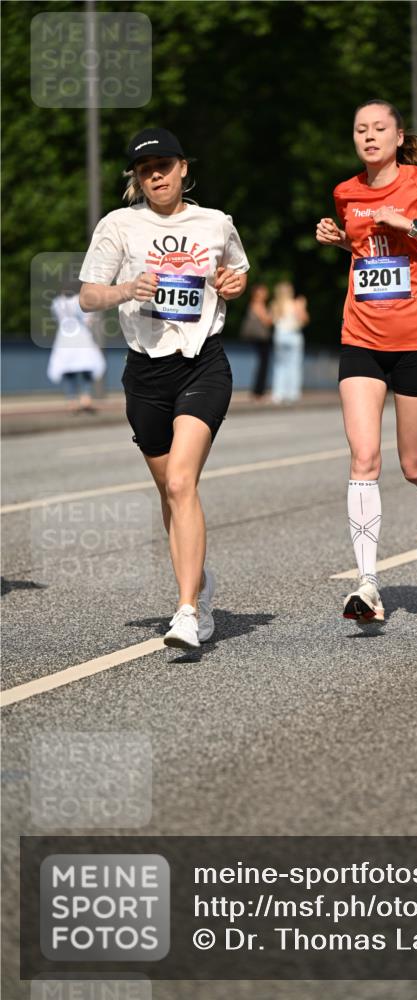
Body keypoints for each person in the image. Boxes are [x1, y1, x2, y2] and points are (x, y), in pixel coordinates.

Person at [79, 128, 249, 649]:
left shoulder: (215, 223)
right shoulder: (119, 226)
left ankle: (187, 610)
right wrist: (128, 288)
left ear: (182, 168)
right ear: (136, 177)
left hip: (203, 365)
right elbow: (87, 296)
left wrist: (233, 285)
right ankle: (200, 582)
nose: (156, 174)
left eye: (164, 165)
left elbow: (237, 274)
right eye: (145, 168)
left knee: (180, 482)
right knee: (169, 493)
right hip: (146, 373)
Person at [315, 100, 417, 624]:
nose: (369, 136)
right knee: (363, 458)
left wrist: (409, 224)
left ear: (398, 134)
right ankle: (367, 585)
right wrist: (344, 243)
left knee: (412, 466)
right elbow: (371, 257)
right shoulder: (346, 192)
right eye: (360, 128)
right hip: (361, 335)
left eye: (379, 128)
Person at [47, 290, 106, 411]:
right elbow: (88, 320)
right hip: (81, 337)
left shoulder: (57, 302)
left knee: (69, 370)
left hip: (64, 338)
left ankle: (71, 400)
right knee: (86, 368)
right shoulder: (80, 301)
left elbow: (56, 318)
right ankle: (86, 398)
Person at [271, 281, 309, 404]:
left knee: (279, 365)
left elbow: (271, 321)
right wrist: (303, 306)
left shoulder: (275, 305)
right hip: (293, 335)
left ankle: (278, 393)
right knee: (294, 365)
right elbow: (304, 319)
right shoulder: (296, 304)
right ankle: (292, 393)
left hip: (280, 335)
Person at [240, 283, 273, 401]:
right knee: (263, 365)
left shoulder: (257, 304)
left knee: (263, 364)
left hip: (260, 339)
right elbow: (267, 321)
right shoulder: (258, 305)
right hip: (261, 339)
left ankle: (259, 391)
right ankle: (258, 391)